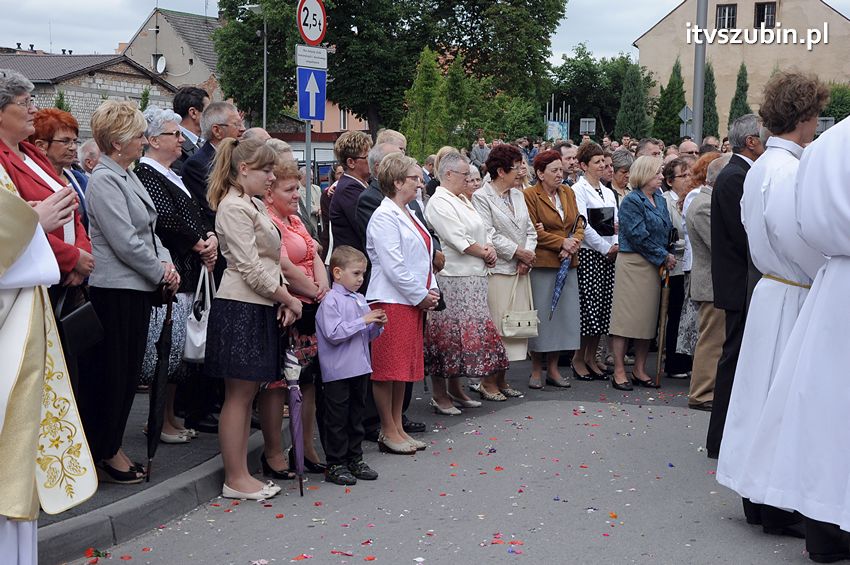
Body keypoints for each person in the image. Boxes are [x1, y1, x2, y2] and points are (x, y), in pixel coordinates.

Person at [716, 72, 829, 540]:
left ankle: (760, 496)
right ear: (803, 117)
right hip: (791, 291)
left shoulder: (765, 165)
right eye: (816, 114)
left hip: (773, 290)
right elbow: (794, 235)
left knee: (760, 397)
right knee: (780, 400)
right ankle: (776, 503)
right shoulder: (785, 170)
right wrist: (826, 271)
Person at [749, 116, 850, 563]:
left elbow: (806, 229)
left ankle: (822, 526)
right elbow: (795, 237)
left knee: (819, 410)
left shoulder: (831, 142)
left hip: (829, 283)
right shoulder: (787, 164)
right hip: (806, 282)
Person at [77, 100, 179, 484]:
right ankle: (107, 450)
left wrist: (166, 265)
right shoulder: (104, 180)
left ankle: (111, 446)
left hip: (137, 287)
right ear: (118, 142)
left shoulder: (126, 174)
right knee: (114, 376)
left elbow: (149, 232)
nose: (143, 141)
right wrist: (160, 273)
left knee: (126, 371)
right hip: (116, 290)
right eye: (138, 135)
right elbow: (125, 242)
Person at [204, 137, 299, 500]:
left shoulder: (249, 203)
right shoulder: (233, 207)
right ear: (243, 170)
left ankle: (241, 473)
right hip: (241, 305)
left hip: (255, 304)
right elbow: (248, 267)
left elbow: (268, 264)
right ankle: (235, 476)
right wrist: (288, 297)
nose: (272, 177)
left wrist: (283, 296)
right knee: (239, 395)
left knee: (246, 394)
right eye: (266, 170)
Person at [135, 106, 217, 443]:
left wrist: (210, 238)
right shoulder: (148, 174)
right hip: (172, 270)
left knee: (176, 352)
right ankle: (158, 421)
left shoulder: (173, 173)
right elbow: (166, 220)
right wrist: (200, 243)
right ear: (154, 140)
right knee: (164, 351)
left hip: (189, 268)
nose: (181, 139)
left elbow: (195, 212)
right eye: (175, 134)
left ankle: (169, 417)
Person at [366, 152, 439, 453]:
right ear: (397, 182)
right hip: (391, 299)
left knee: (402, 370)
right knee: (387, 369)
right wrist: (420, 295)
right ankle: (387, 428)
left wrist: (430, 290)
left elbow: (423, 257)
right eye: (414, 178)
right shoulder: (384, 216)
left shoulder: (408, 212)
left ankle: (397, 425)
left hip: (409, 301)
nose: (420, 184)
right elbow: (394, 266)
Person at [425, 151, 509, 407]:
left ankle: (456, 389)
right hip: (454, 278)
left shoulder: (462, 199)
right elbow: (457, 238)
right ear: (448, 174)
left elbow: (482, 230)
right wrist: (484, 251)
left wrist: (490, 248)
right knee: (447, 337)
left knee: (462, 339)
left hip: (473, 277)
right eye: (465, 175)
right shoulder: (439, 202)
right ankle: (440, 395)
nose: (469, 179)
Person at [263, 148, 328, 477]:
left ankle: (306, 447)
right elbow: (284, 266)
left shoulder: (295, 218)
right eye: (289, 189)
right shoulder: (270, 220)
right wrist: (312, 290)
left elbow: (315, 251)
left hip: (310, 306)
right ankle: (273, 452)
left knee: (308, 383)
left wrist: (323, 289)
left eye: (297, 188)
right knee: (279, 384)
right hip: (287, 307)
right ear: (270, 192)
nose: (296, 194)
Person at [705, 114, 765, 459]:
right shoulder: (734, 177)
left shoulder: (741, 174)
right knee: (733, 358)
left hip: (740, 281)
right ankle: (720, 437)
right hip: (739, 282)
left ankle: (727, 434)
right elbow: (742, 234)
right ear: (750, 141)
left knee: (737, 357)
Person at [316, 246, 384, 485]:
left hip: (360, 367)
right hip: (338, 370)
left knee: (356, 415)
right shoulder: (330, 301)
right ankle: (336, 463)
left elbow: (366, 335)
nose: (361, 279)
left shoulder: (359, 299)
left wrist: (375, 324)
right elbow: (334, 333)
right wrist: (362, 320)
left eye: (363, 274)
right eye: (356, 273)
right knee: (336, 418)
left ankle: (355, 458)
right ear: (337, 273)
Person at [472, 144, 537, 392]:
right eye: (516, 167)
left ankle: (502, 380)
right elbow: (488, 233)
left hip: (520, 269)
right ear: (501, 171)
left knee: (513, 329)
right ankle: (488, 382)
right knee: (497, 327)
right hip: (498, 270)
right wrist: (517, 252)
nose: (521, 171)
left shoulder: (519, 195)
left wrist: (527, 256)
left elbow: (530, 230)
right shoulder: (481, 196)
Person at [608, 156, 673, 391]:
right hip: (634, 263)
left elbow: (666, 230)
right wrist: (663, 255)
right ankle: (618, 371)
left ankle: (639, 368)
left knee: (647, 320)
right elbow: (638, 236)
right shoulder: (631, 201)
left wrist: (667, 252)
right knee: (625, 320)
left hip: (654, 264)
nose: (661, 178)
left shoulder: (660, 199)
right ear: (645, 174)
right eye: (657, 174)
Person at [524, 149, 584, 388]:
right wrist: (561, 242)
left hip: (567, 263)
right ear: (540, 173)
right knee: (542, 319)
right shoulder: (530, 195)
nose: (561, 174)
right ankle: (536, 369)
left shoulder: (568, 192)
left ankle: (553, 369)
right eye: (555, 170)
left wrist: (572, 244)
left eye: (562, 170)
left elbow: (579, 223)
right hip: (543, 265)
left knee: (562, 317)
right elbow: (533, 231)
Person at [685, 154, 730, 411]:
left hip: (713, 283)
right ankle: (701, 392)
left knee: (716, 339)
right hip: (710, 284)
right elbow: (718, 244)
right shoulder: (704, 205)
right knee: (711, 341)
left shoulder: (708, 201)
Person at [571, 142, 618, 381]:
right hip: (590, 254)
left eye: (603, 161)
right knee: (588, 309)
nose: (602, 166)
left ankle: (591, 356)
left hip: (608, 254)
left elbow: (615, 224)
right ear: (583, 165)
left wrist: (615, 244)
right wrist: (605, 246)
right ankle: (578, 357)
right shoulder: (578, 189)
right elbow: (583, 224)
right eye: (597, 162)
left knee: (601, 309)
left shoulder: (608, 191)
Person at [182, 101, 245, 227]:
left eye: (242, 123)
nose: (243, 129)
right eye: (236, 124)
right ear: (217, 131)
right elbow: (212, 209)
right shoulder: (197, 165)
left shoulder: (241, 158)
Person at [29, 108, 90, 229]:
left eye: (74, 141)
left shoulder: (80, 179)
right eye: (65, 141)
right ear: (41, 146)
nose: (73, 147)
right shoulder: (31, 182)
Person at [660, 157, 693, 379]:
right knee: (674, 313)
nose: (688, 179)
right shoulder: (665, 201)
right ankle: (674, 360)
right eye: (683, 176)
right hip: (674, 264)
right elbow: (669, 232)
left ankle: (686, 359)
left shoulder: (691, 198)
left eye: (690, 174)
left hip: (688, 264)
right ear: (670, 181)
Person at [329, 131, 373, 257]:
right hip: (352, 266)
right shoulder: (348, 189)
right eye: (367, 157)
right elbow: (367, 227)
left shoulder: (359, 184)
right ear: (351, 162)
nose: (372, 160)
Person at [171, 86, 210, 174]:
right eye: (208, 111)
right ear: (193, 113)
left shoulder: (203, 142)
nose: (212, 116)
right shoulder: (175, 145)